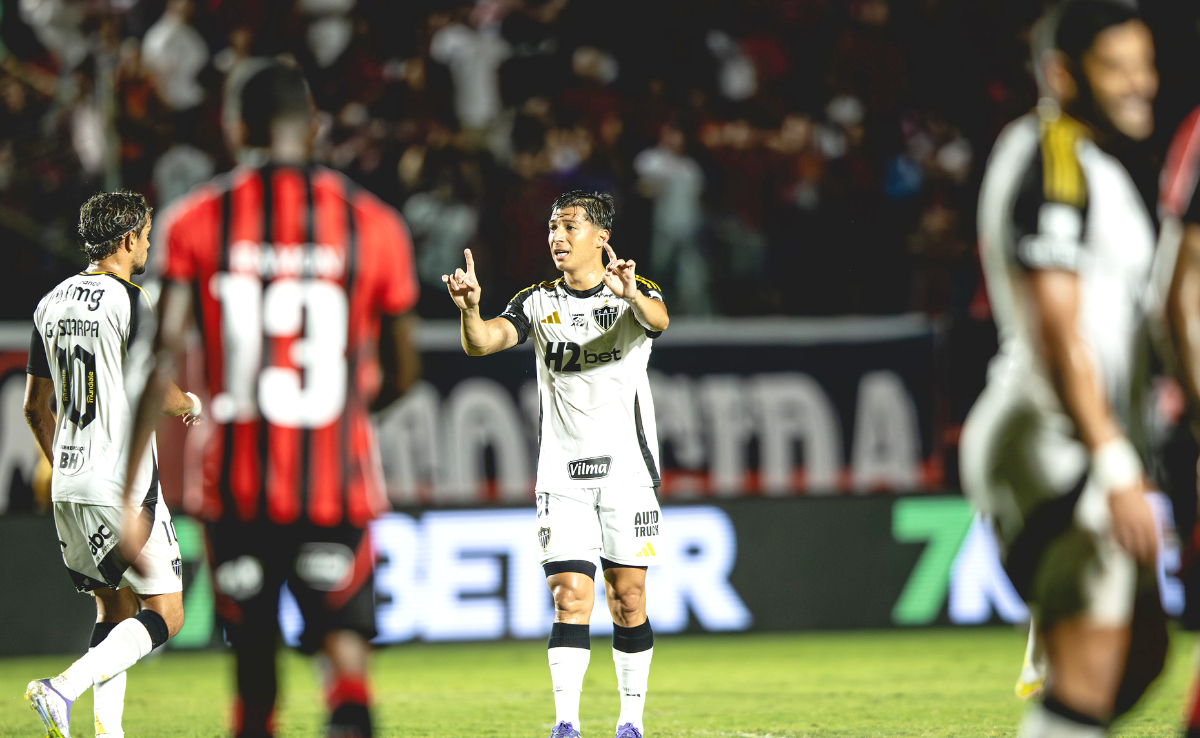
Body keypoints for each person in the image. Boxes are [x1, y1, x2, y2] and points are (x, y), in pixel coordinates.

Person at [124, 62, 420, 738]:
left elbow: (159, 358)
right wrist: (346, 416)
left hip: (235, 486)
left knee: (254, 670)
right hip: (335, 484)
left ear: (234, 128)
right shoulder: (372, 225)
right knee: (343, 643)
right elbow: (406, 370)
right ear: (314, 127)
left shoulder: (194, 221)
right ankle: (348, 705)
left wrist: (127, 483)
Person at [958, 1, 1166, 735]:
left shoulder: (1086, 159)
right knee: (1083, 673)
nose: (1141, 83)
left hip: (1069, 434)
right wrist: (1110, 458)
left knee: (1140, 654)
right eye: (1117, 67)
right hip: (1055, 437)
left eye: (1144, 64)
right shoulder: (1056, 153)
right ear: (1061, 73)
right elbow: (1055, 322)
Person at [442, 190, 669, 738]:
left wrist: (631, 293)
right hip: (563, 473)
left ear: (601, 237)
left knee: (627, 597)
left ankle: (630, 722)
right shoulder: (536, 301)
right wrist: (473, 310)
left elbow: (659, 320)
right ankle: (566, 723)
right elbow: (484, 343)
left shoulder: (635, 293)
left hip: (627, 471)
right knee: (570, 596)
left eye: (569, 226)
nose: (557, 237)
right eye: (551, 227)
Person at [23, 190, 202, 738]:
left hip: (68, 482)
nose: (148, 244)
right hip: (121, 483)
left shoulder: (49, 302)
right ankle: (62, 688)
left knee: (115, 608)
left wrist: (66, 467)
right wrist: (192, 405)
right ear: (127, 239)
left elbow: (35, 408)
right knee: (168, 611)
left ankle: (108, 733)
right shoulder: (130, 300)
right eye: (145, 235)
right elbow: (156, 386)